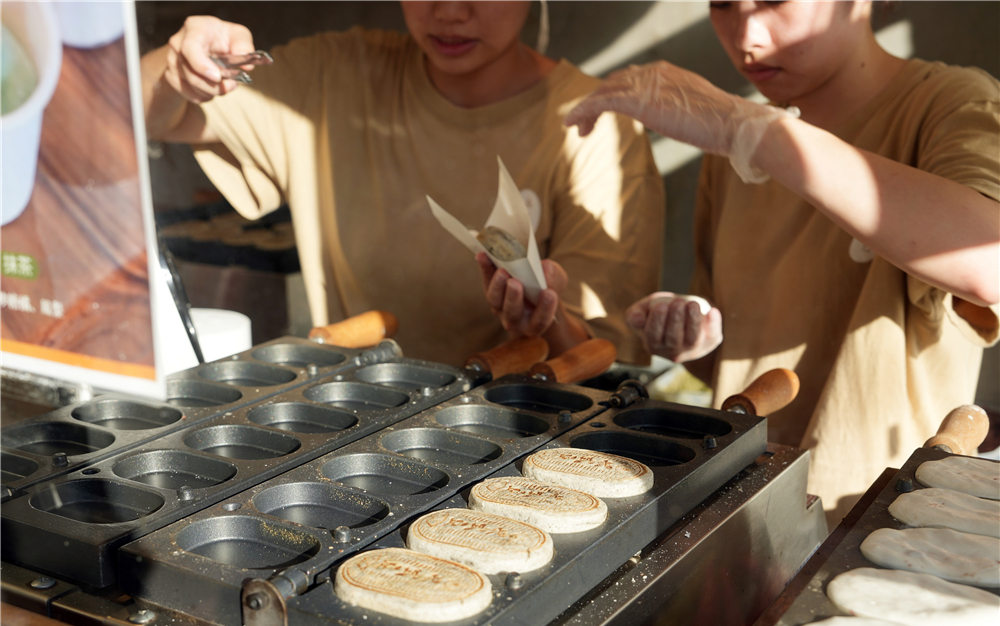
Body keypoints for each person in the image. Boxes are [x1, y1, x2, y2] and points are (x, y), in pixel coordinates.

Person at [566, 1, 999, 529]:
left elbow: (989, 263)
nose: (749, 36)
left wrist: (746, 128)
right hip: (740, 496)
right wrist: (691, 336)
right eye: (723, 4)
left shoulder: (947, 104)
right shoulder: (736, 141)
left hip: (883, 516)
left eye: (775, 1)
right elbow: (727, 354)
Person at [141, 1, 664, 366]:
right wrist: (176, 67)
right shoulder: (336, 77)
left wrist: (543, 321)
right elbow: (138, 116)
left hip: (527, 452)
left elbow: (607, 360)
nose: (450, 11)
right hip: (356, 438)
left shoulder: (597, 128)